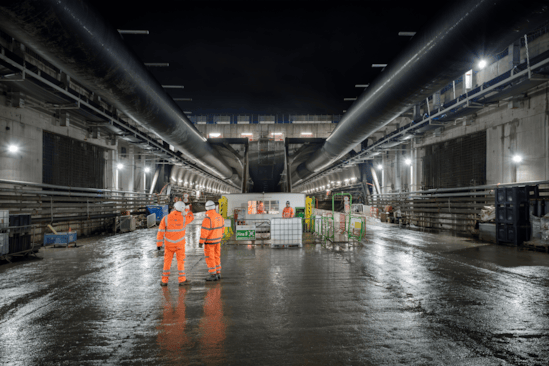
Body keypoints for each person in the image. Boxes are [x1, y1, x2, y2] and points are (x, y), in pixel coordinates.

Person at [157, 201, 194, 286]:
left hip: (169, 245)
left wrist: (159, 245)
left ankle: (164, 281)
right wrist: (188, 210)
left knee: (167, 262)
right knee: (180, 262)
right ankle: (182, 280)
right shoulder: (184, 219)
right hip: (180, 245)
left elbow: (160, 232)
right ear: (182, 209)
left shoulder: (165, 218)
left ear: (174, 208)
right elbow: (191, 217)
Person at [199, 200, 224, 281]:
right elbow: (222, 229)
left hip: (209, 242)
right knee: (217, 256)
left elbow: (204, 232)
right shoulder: (220, 217)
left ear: (207, 208)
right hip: (218, 241)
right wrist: (220, 237)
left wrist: (201, 242)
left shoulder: (207, 219)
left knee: (210, 257)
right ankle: (218, 272)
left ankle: (213, 275)